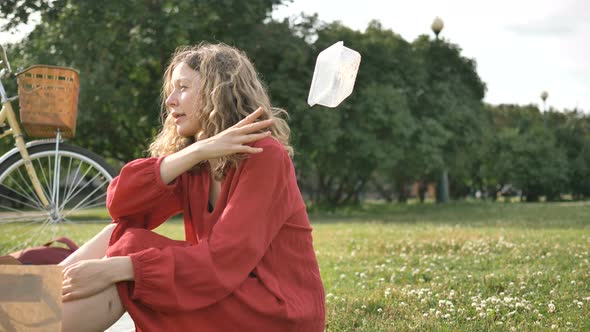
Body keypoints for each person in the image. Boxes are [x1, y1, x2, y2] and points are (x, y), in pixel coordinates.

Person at [58, 43, 325, 332]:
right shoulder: (198, 160)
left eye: (182, 87)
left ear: (218, 92)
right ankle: (34, 299)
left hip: (275, 310)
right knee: (121, 235)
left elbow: (225, 258)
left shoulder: (264, 155)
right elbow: (121, 207)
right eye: (171, 90)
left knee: (131, 260)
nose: (170, 100)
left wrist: (119, 267)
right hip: (226, 291)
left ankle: (31, 313)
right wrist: (194, 153)